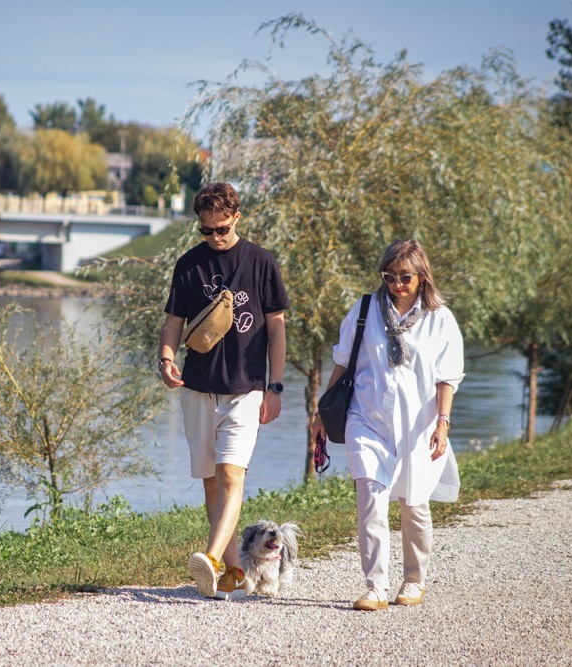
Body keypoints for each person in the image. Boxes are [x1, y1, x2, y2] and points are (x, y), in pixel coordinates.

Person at [313, 239, 464, 611]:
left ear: (422, 277)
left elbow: (448, 377)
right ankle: (375, 586)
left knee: (414, 506)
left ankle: (414, 579)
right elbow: (343, 362)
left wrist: (442, 423)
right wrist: (321, 412)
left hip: (419, 425)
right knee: (371, 501)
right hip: (366, 419)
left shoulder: (439, 318)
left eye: (405, 277)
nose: (397, 283)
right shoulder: (365, 309)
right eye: (390, 276)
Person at [158, 182, 289, 599]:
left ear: (236, 216)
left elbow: (276, 328)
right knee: (212, 483)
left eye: (220, 228)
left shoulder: (261, 262)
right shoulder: (188, 265)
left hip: (246, 390)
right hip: (197, 388)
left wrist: (275, 386)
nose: (214, 237)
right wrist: (165, 357)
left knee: (232, 474)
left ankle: (209, 559)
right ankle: (233, 571)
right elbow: (174, 321)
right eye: (205, 230)